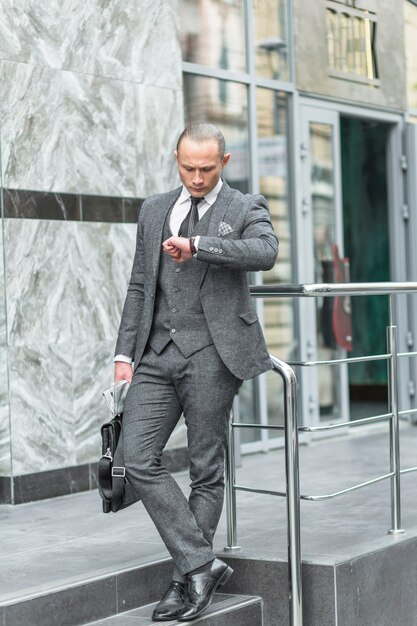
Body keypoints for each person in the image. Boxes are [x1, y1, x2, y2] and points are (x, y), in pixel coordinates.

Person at [114, 122, 278, 622]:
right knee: (135, 458)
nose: (197, 177)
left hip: (213, 354)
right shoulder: (153, 209)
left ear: (223, 163)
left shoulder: (246, 207)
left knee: (207, 470)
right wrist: (124, 354)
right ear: (176, 159)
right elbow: (141, 284)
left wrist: (201, 245)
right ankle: (201, 565)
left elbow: (265, 253)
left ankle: (185, 582)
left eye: (207, 168)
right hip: (156, 354)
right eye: (188, 167)